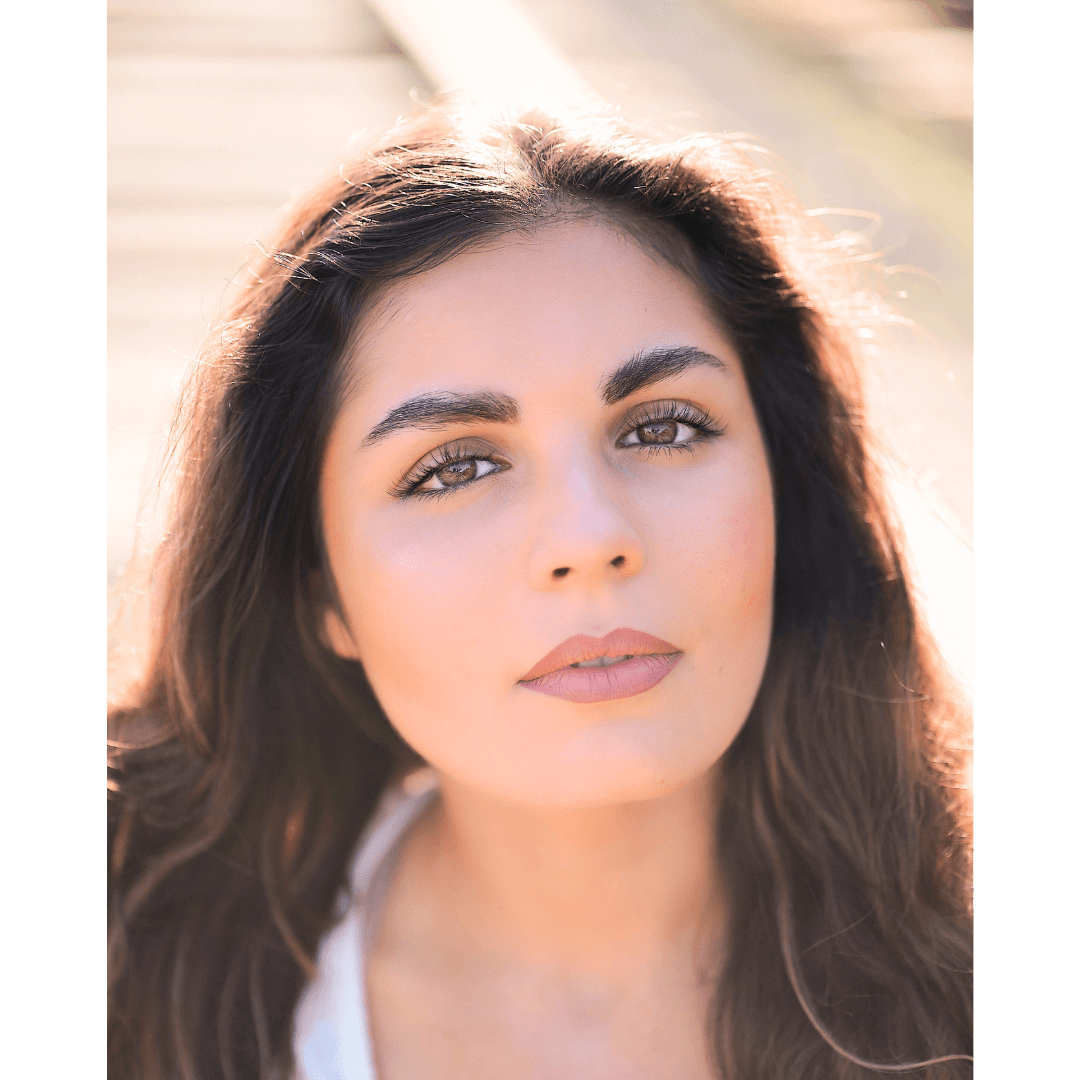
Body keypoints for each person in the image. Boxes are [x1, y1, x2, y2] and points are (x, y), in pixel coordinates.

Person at [107, 101, 973, 1080]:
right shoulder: (143, 987)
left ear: (786, 483)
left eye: (664, 428)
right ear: (320, 593)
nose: (590, 539)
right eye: (456, 468)